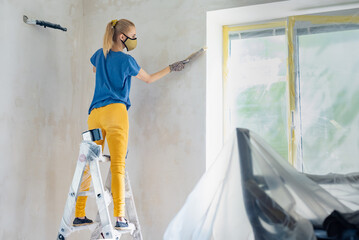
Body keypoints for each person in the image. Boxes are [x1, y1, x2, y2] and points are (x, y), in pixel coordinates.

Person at [72, 19, 185, 230]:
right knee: (117, 164)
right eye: (133, 35)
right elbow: (149, 79)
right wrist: (171, 68)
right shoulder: (127, 60)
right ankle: (120, 217)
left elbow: (96, 72)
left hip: (94, 114)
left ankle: (79, 214)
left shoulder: (99, 54)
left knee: (90, 164)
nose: (135, 39)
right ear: (122, 37)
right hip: (116, 112)